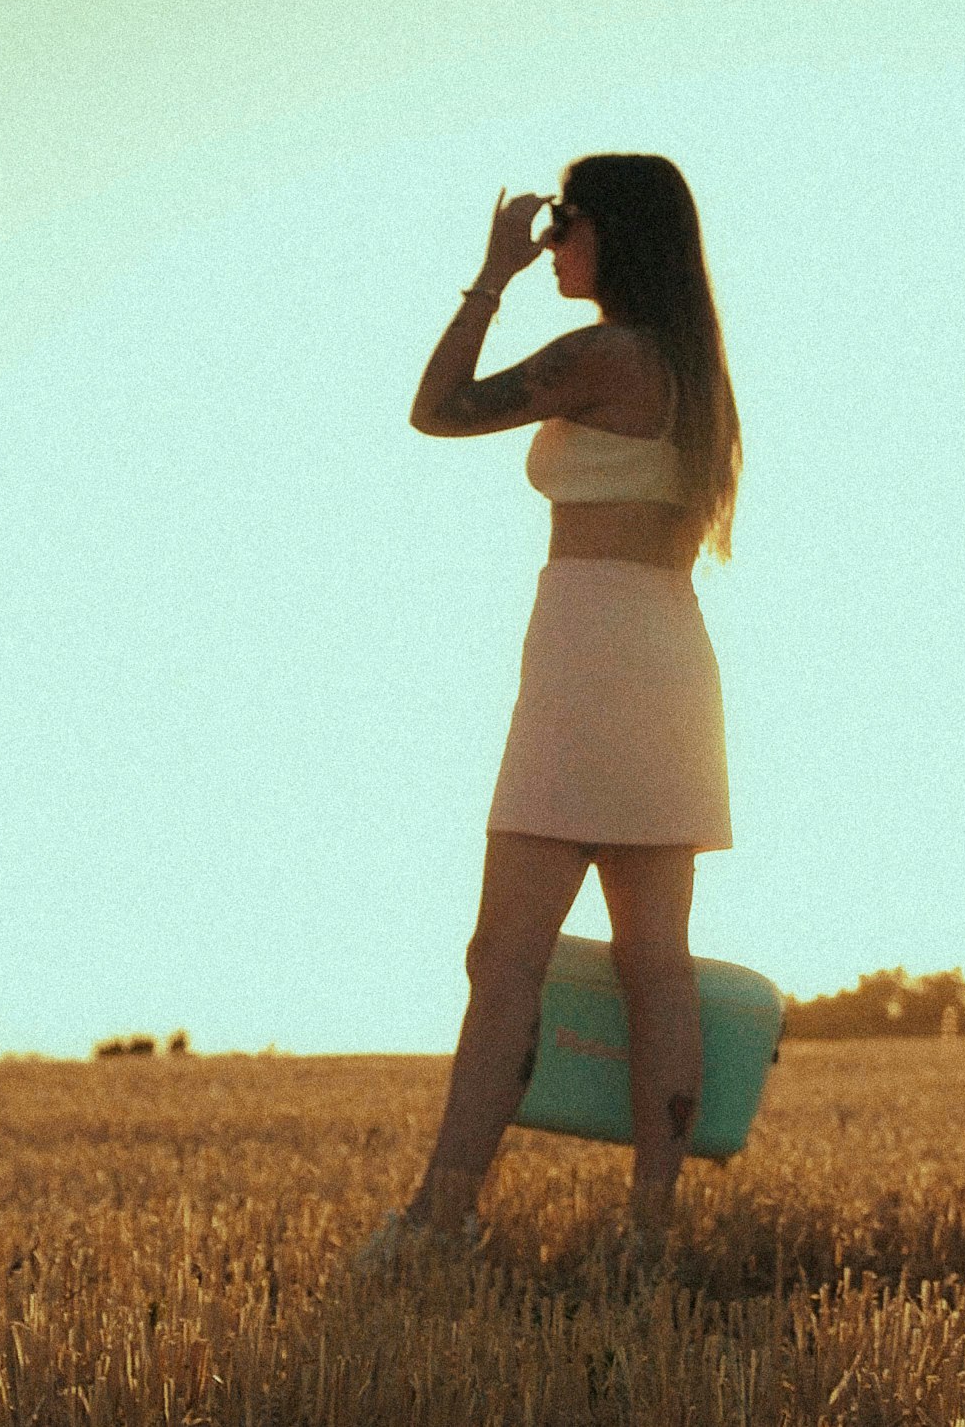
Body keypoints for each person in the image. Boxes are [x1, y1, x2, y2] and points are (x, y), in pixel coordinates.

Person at [353, 153, 744, 1273]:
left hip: (589, 662)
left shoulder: (606, 354)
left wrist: (488, 277)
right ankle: (647, 1239)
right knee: (655, 962)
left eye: (567, 220)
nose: (554, 236)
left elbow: (436, 409)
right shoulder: (691, 368)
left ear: (611, 231)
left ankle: (439, 1221)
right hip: (667, 653)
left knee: (506, 955)